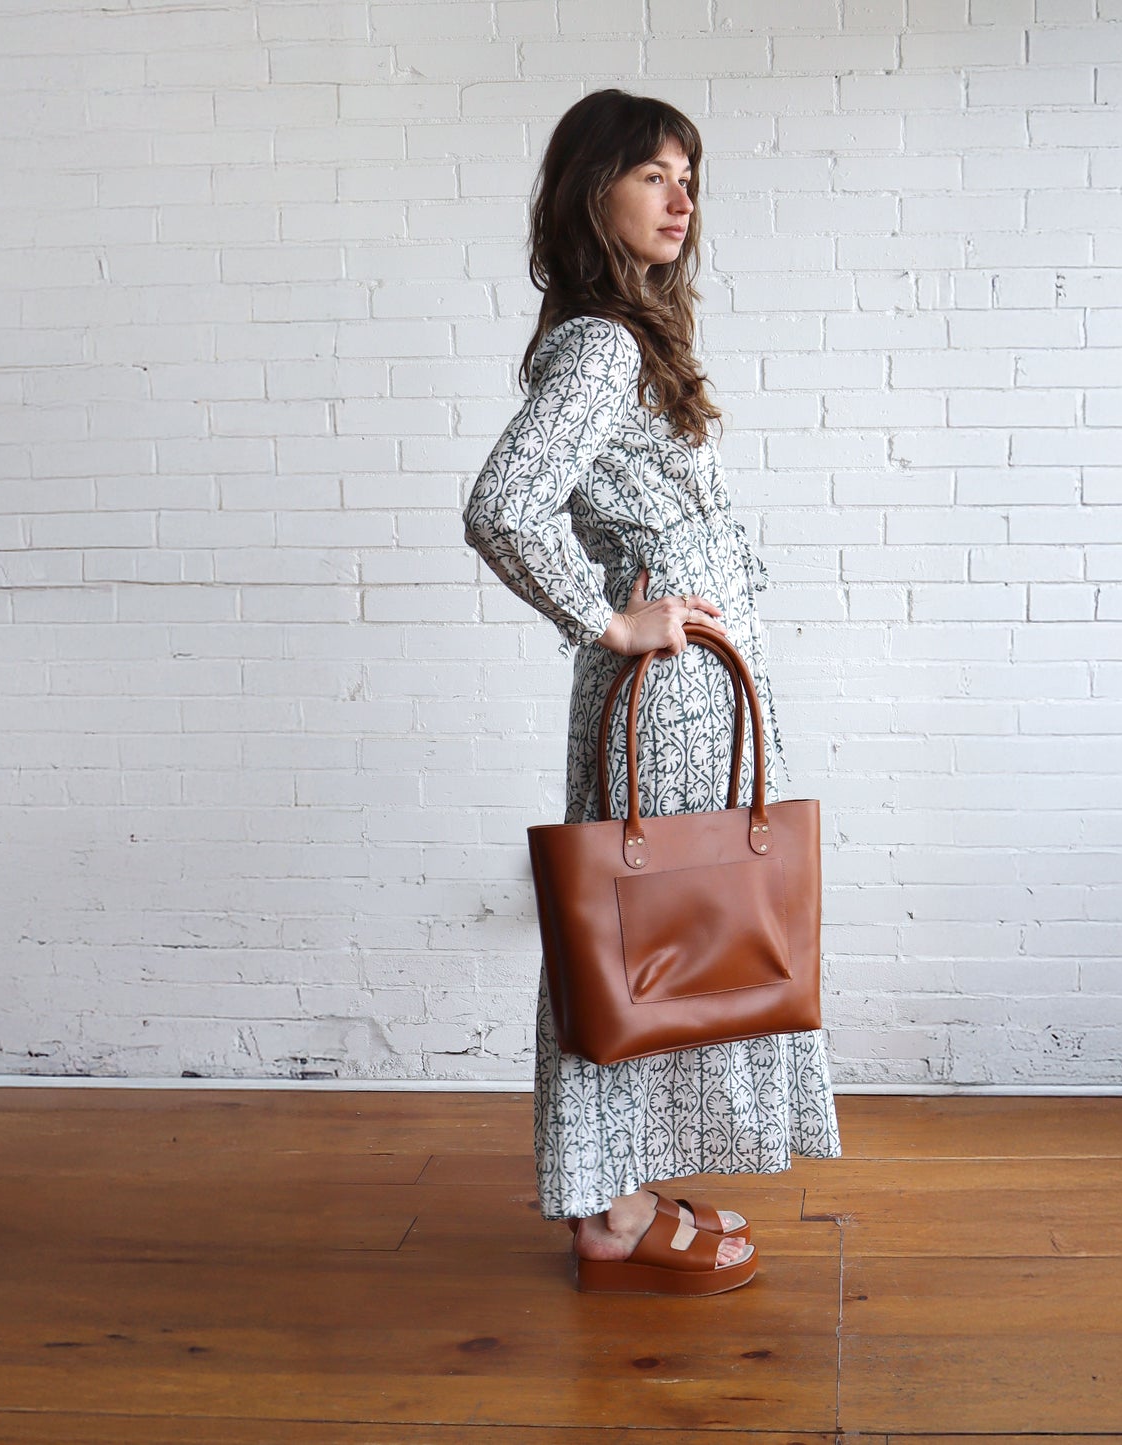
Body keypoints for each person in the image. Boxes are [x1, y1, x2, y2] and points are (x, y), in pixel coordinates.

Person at [462, 88, 842, 1296]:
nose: (680, 197)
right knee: (632, 940)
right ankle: (610, 1213)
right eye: (651, 174)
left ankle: (623, 1183)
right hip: (666, 695)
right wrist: (609, 615)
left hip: (702, 693)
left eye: (688, 175)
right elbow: (500, 504)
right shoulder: (599, 345)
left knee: (670, 938)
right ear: (593, 193)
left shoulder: (634, 340)